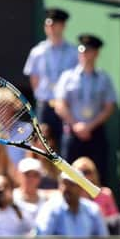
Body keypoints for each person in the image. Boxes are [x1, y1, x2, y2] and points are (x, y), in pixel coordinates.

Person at [54, 34, 116, 185]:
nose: (84, 54)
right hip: (72, 132)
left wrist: (89, 126)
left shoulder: (104, 78)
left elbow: (109, 107)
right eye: (82, 50)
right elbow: (60, 105)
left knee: (98, 173)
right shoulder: (67, 77)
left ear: (96, 53)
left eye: (89, 51)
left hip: (95, 133)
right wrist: (76, 125)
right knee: (69, 174)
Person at [23, 8, 78, 144]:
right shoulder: (37, 52)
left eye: (54, 24)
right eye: (48, 24)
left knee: (64, 144)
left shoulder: (73, 52)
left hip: (66, 107)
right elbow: (34, 80)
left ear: (63, 26)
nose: (51, 27)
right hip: (45, 106)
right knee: (42, 143)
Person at [35, 172, 108, 237]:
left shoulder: (93, 210)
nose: (66, 188)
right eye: (64, 183)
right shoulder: (50, 208)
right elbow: (42, 238)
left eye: (71, 184)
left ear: (81, 188)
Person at [72, 156, 119, 229]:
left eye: (88, 172)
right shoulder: (70, 195)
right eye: (80, 172)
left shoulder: (105, 194)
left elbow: (115, 219)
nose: (84, 176)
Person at [12, 157, 48, 222]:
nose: (31, 179)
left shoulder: (46, 199)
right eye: (27, 174)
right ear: (18, 175)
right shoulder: (11, 197)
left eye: (35, 175)